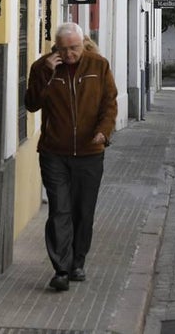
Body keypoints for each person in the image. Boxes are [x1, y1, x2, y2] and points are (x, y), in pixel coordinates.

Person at [25, 22, 118, 292]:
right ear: (56, 47)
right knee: (59, 210)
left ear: (83, 43)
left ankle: (78, 261)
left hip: (90, 152)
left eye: (74, 48)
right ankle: (61, 269)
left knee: (83, 210)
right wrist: (46, 73)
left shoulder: (98, 66)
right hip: (54, 152)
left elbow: (109, 104)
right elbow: (31, 103)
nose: (69, 54)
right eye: (63, 49)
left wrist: (104, 132)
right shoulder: (43, 67)